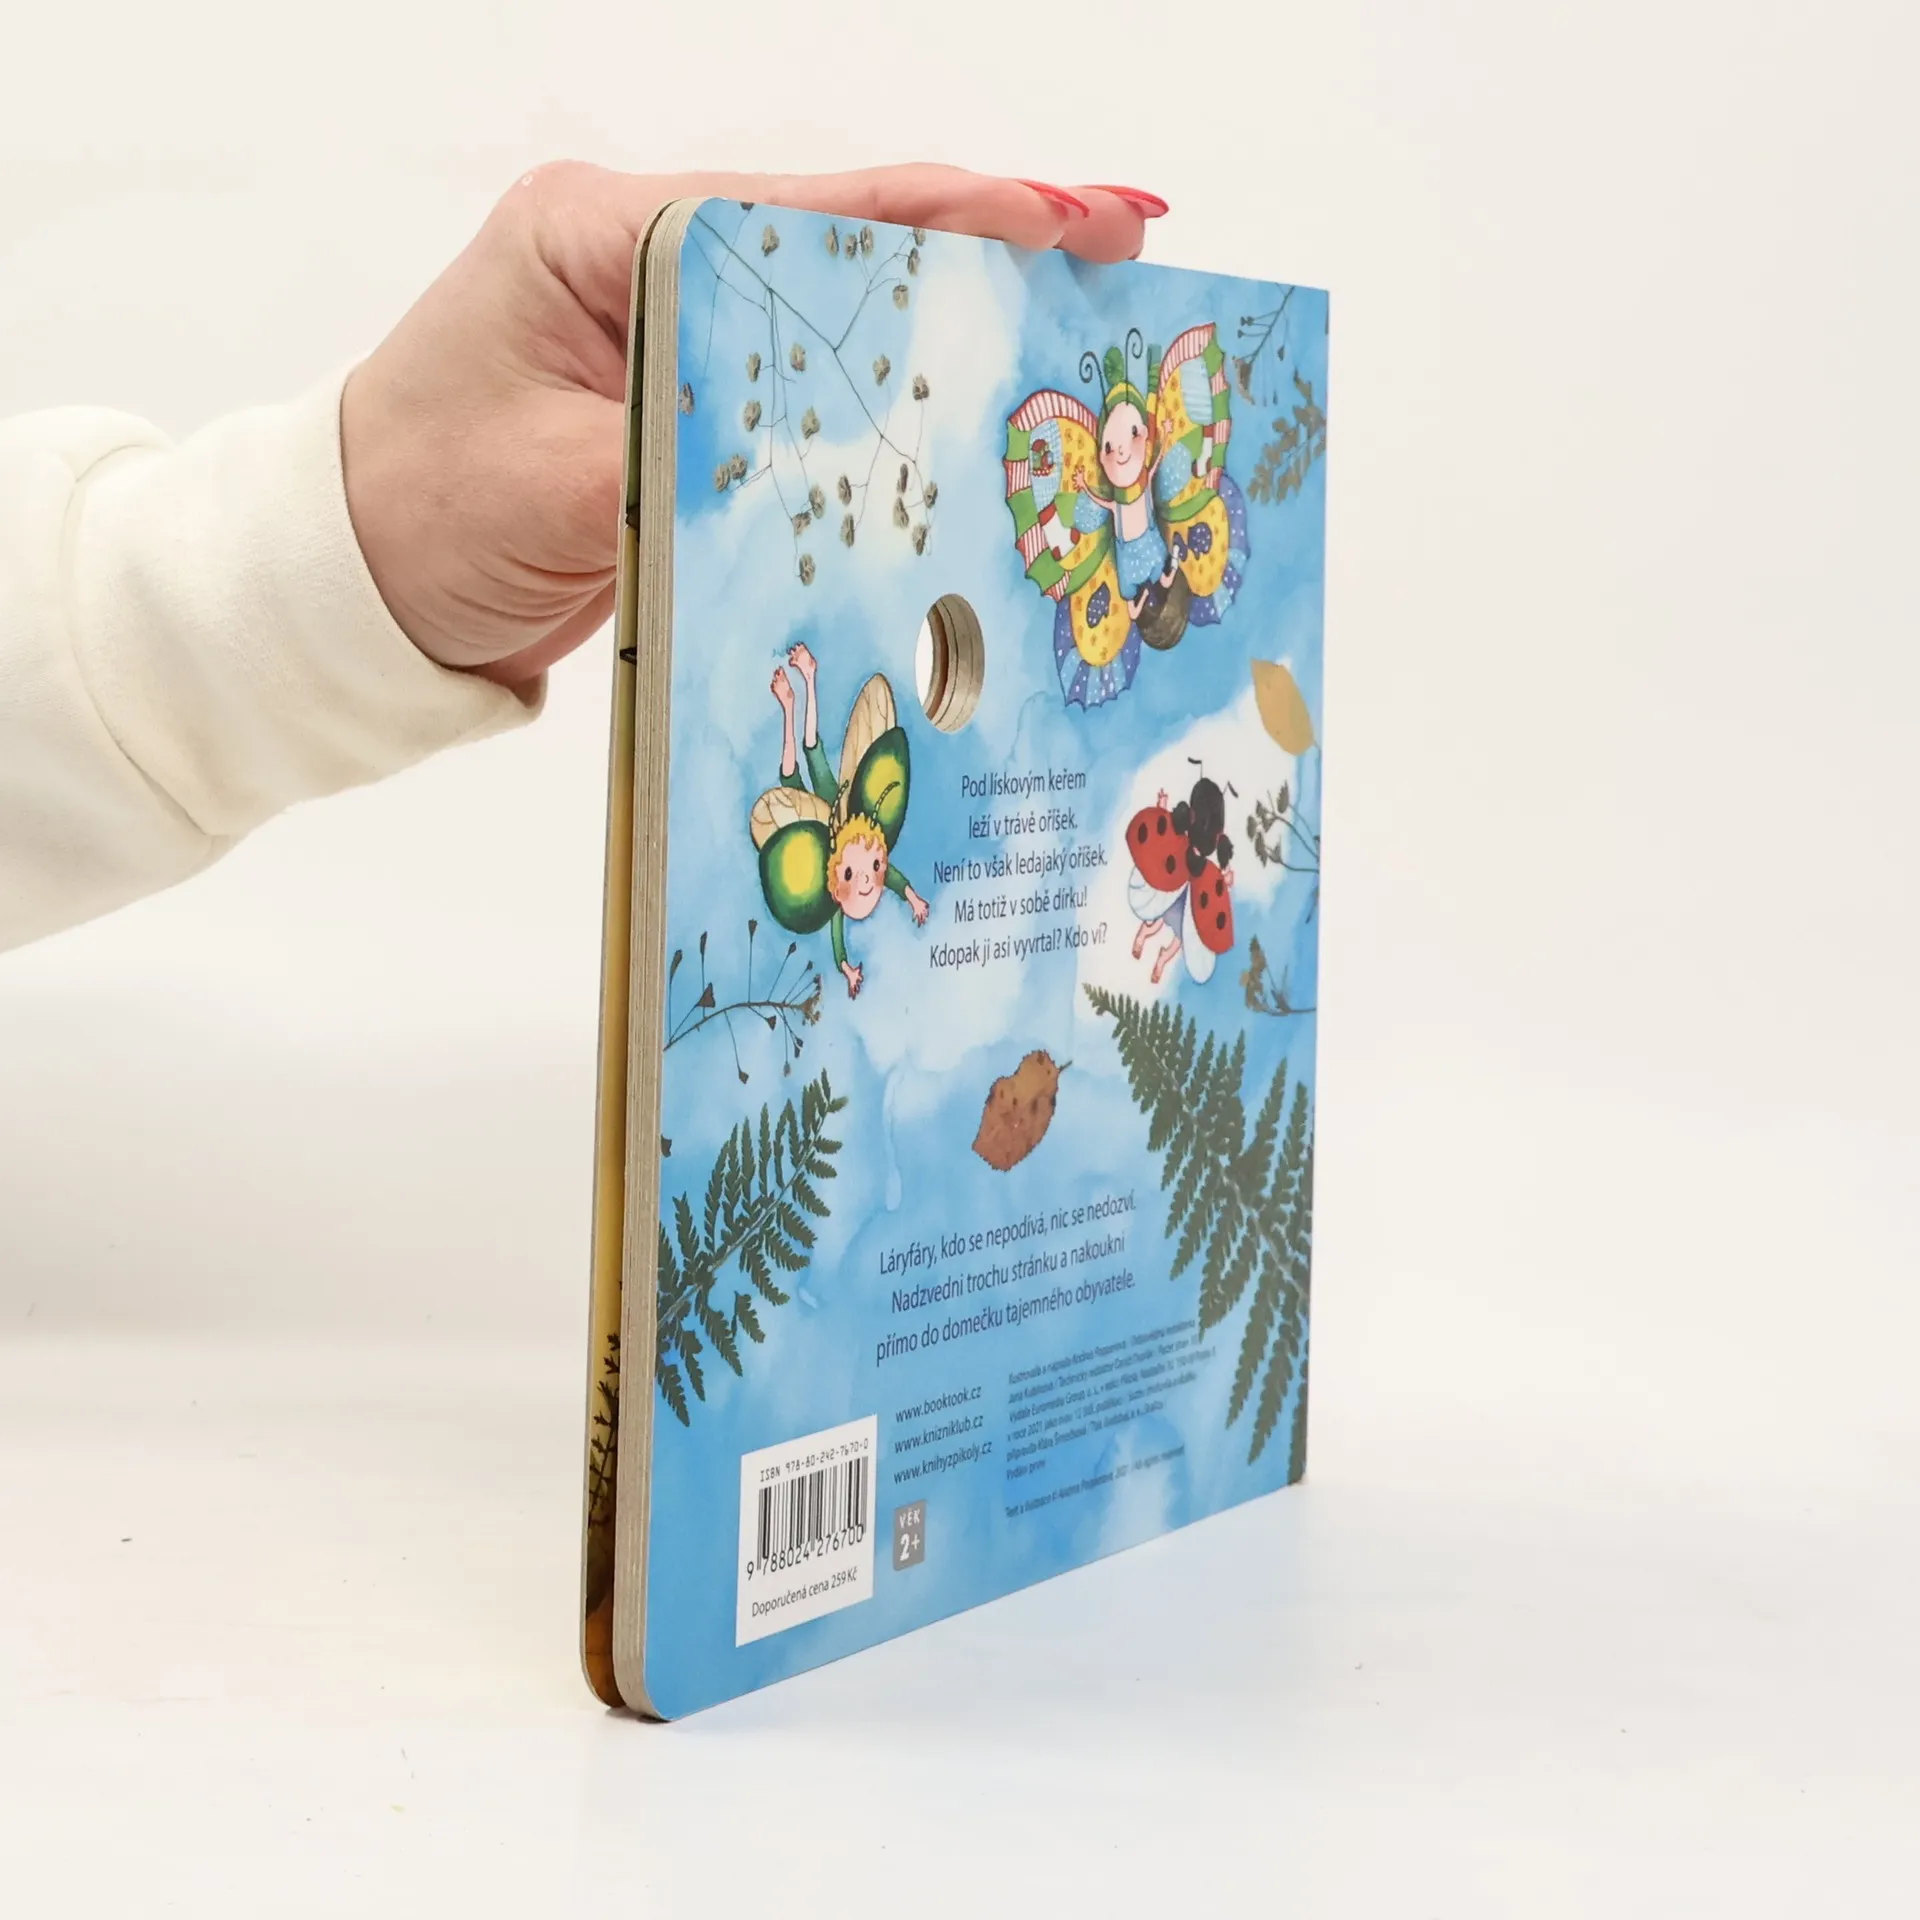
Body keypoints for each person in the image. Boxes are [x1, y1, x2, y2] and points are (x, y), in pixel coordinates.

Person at [0, 164, 1163, 954]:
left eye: (854, 880)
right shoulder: (849, 841)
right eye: (860, 877)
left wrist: (322, 544)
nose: (861, 876)